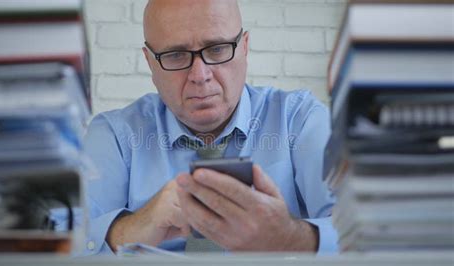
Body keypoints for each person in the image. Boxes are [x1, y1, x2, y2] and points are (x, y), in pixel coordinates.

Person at [82, 0, 337, 255]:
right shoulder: (115, 135)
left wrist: (290, 237)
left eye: (217, 49)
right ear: (150, 62)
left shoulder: (300, 120)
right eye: (175, 55)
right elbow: (58, 242)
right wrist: (128, 230)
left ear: (244, 47)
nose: (200, 75)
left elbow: (363, 236)